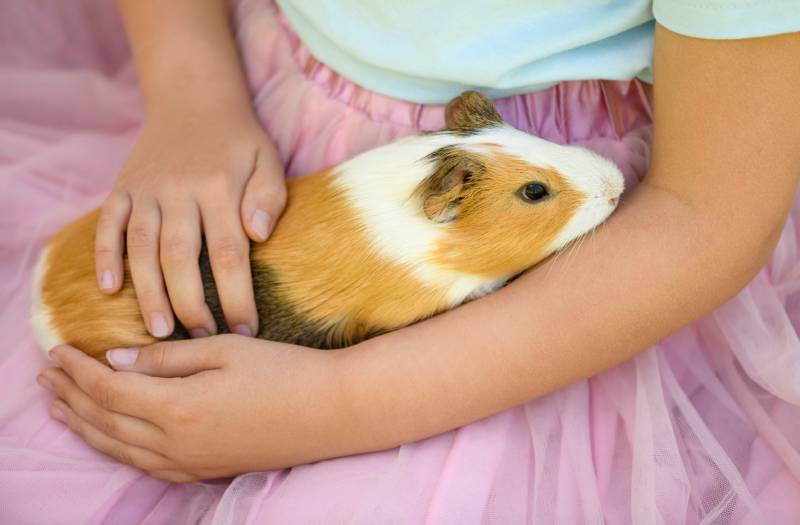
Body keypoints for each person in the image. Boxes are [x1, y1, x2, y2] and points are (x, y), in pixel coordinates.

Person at [3, 0, 799, 522]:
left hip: (571, 309)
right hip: (241, 109)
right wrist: (189, 91)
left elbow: (708, 213)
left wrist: (338, 402)